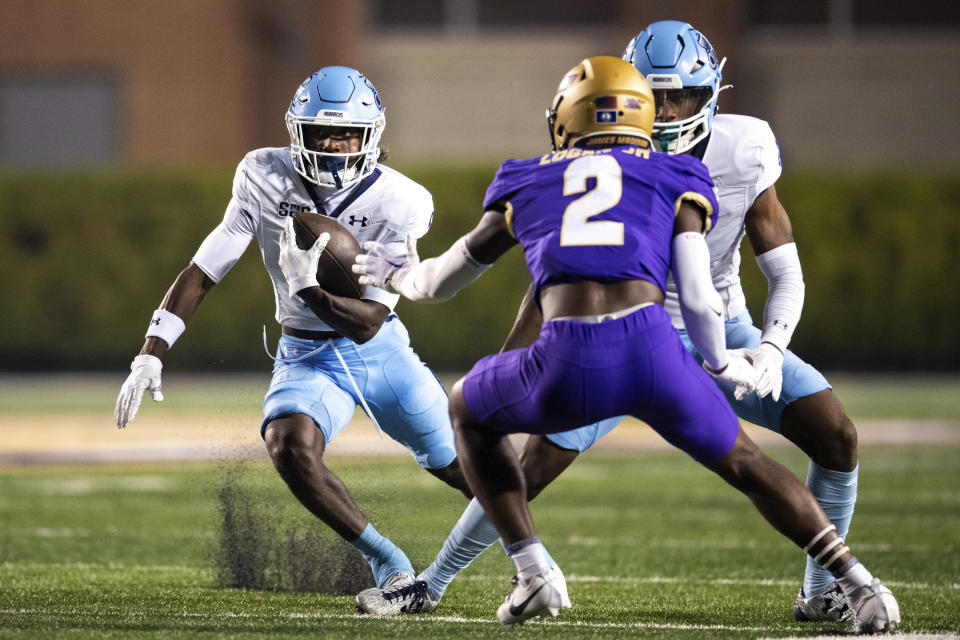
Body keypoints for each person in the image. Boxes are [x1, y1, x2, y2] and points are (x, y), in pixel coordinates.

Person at [356, 20, 877, 628]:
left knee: (835, 434)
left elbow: (783, 270)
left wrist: (768, 346)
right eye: (660, 97)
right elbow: (561, 270)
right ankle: (434, 582)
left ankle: (822, 593)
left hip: (706, 328)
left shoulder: (739, 148)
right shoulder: (628, 160)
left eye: (686, 96)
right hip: (654, 331)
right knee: (534, 467)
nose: (674, 112)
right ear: (632, 100)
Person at [113, 66, 471, 594]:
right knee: (289, 445)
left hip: (380, 352)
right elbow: (205, 268)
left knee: (464, 468)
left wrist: (308, 290)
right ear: (294, 130)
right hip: (304, 354)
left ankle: (530, 557)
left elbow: (370, 321)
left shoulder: (402, 201)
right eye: (319, 132)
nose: (331, 145)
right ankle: (387, 562)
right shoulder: (263, 174)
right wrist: (151, 352)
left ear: (371, 136)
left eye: (345, 133)